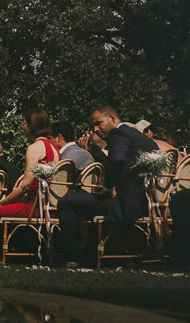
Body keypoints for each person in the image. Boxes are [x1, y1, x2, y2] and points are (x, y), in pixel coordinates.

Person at [56, 105, 159, 267]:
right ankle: (91, 253)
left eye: (99, 123)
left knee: (66, 203)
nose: (96, 129)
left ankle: (71, 257)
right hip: (148, 203)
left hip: (125, 204)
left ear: (112, 118)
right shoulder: (144, 139)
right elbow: (127, 164)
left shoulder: (118, 133)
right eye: (93, 126)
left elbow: (117, 160)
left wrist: (107, 187)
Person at [0, 109, 59, 258]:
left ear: (32, 126)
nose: (23, 127)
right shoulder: (54, 148)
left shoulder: (34, 148)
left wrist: (1, 202)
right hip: (49, 205)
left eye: (24, 123)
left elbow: (26, 185)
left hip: (33, 207)